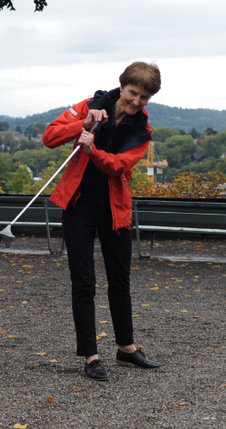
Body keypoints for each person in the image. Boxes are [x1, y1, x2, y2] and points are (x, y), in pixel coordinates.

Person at [41, 62, 162, 381]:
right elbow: (50, 137)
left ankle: (126, 348)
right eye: (133, 93)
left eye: (144, 98)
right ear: (122, 86)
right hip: (78, 205)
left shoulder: (143, 132)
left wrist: (93, 151)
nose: (136, 102)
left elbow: (120, 166)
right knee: (84, 282)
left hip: (115, 208)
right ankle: (91, 356)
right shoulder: (89, 106)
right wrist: (85, 120)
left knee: (120, 282)